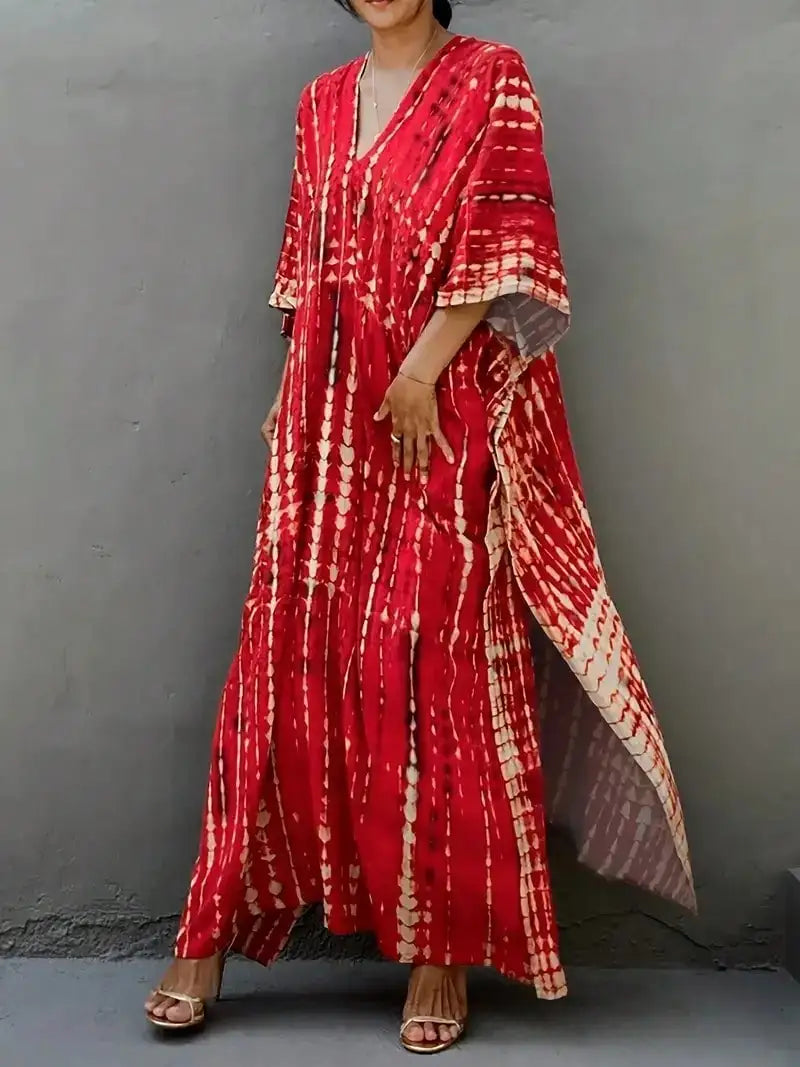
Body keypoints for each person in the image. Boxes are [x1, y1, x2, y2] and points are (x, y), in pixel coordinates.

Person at [145, 0, 696, 1053]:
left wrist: (416, 372)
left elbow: (507, 248)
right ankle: (205, 934)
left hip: (438, 412)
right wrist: (292, 389)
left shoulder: (493, 77)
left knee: (436, 660)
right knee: (286, 655)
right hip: (328, 421)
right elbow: (309, 262)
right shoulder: (319, 103)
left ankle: (440, 948)